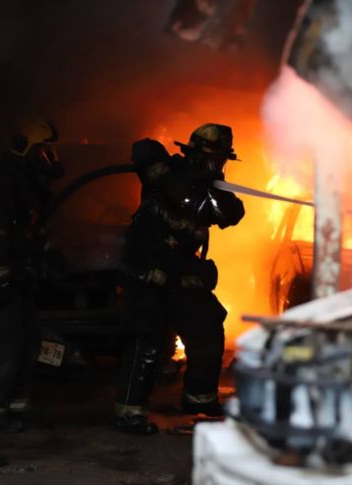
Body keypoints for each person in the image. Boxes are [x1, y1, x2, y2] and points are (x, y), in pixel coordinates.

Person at [115, 123, 245, 434]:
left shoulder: (212, 190)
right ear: (198, 154)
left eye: (223, 160)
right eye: (215, 159)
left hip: (181, 274)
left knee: (208, 326)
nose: (219, 165)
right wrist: (186, 177)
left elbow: (232, 214)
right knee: (145, 340)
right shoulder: (167, 171)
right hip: (148, 271)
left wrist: (212, 184)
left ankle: (200, 398)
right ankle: (129, 413)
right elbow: (143, 148)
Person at [0, 116, 64, 432]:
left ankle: (16, 408)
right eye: (44, 151)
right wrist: (0, 270)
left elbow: (31, 230)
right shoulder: (2, 180)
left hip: (19, 274)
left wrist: (42, 260)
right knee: (3, 343)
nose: (49, 158)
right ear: (25, 149)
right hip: (0, 277)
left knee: (26, 341)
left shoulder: (28, 181)